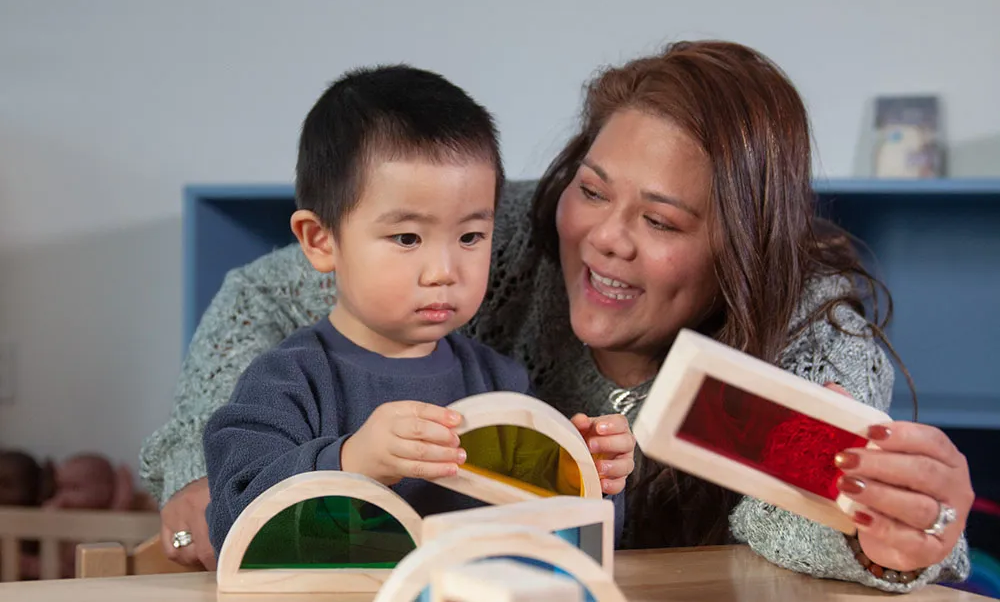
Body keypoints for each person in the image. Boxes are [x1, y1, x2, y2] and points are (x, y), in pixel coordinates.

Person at [140, 41, 973, 591]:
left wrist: (886, 536)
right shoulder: (488, 230)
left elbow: (808, 519)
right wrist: (208, 477)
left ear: (741, 251)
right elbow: (259, 297)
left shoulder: (811, 333)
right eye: (593, 188)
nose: (604, 238)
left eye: (662, 221)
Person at [200, 64, 633, 556]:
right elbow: (234, 527)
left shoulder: (501, 384)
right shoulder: (285, 383)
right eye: (407, 238)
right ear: (320, 241)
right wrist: (349, 461)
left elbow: (568, 548)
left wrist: (589, 478)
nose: (443, 271)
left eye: (470, 236)